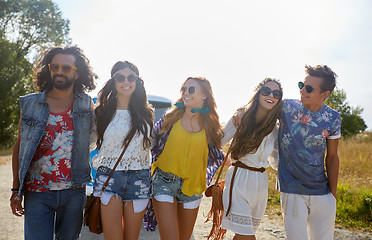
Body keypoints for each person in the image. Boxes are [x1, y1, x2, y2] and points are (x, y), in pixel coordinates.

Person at [233, 65, 341, 240]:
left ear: (324, 94)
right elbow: (260, 104)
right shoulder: (287, 107)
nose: (302, 90)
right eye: (301, 85)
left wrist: (332, 196)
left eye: (309, 88)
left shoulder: (333, 118)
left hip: (322, 193)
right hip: (291, 191)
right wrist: (241, 110)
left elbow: (333, 156)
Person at [10, 46, 97, 239]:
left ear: (76, 74)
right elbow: (19, 147)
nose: (59, 71)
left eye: (66, 68)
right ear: (49, 70)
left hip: (74, 191)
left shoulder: (86, 104)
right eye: (54, 66)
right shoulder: (30, 104)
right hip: (37, 192)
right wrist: (16, 189)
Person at [150, 77, 225, 240]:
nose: (186, 93)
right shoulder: (170, 118)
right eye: (183, 89)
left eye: (191, 89)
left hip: (193, 186)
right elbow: (149, 141)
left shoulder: (211, 126)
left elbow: (222, 145)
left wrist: (240, 113)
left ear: (205, 95)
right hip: (164, 182)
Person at [90, 61, 154, 240]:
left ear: (137, 81)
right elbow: (89, 142)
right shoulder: (101, 112)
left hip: (139, 179)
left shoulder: (146, 113)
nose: (126, 81)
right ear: (113, 81)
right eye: (120, 77)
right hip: (109, 178)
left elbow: (153, 144)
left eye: (131, 77)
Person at [219, 78, 283, 240]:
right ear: (258, 94)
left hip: (260, 184)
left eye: (276, 94)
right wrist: (232, 165)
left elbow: (276, 163)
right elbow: (217, 144)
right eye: (266, 91)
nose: (271, 96)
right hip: (239, 179)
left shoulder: (275, 130)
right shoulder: (240, 119)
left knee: (243, 235)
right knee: (247, 236)